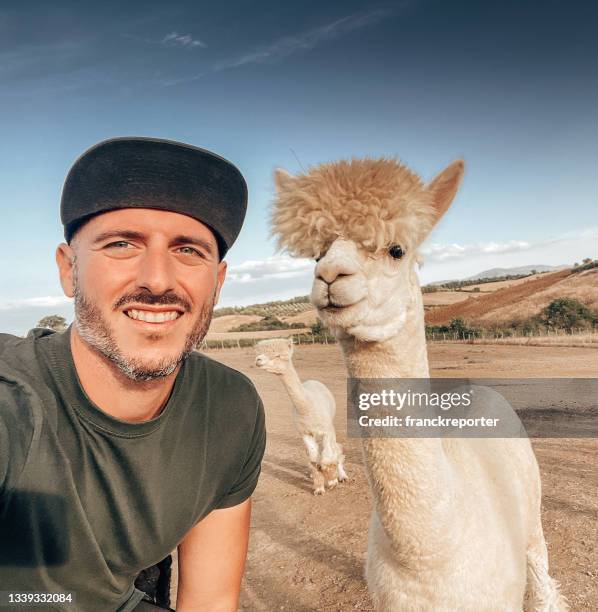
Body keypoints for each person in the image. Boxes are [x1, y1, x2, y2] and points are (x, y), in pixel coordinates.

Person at [0, 137, 266, 611]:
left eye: (188, 250)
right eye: (122, 244)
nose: (158, 280)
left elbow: (210, 600)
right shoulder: (12, 405)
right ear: (69, 270)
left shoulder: (229, 408)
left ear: (218, 282)